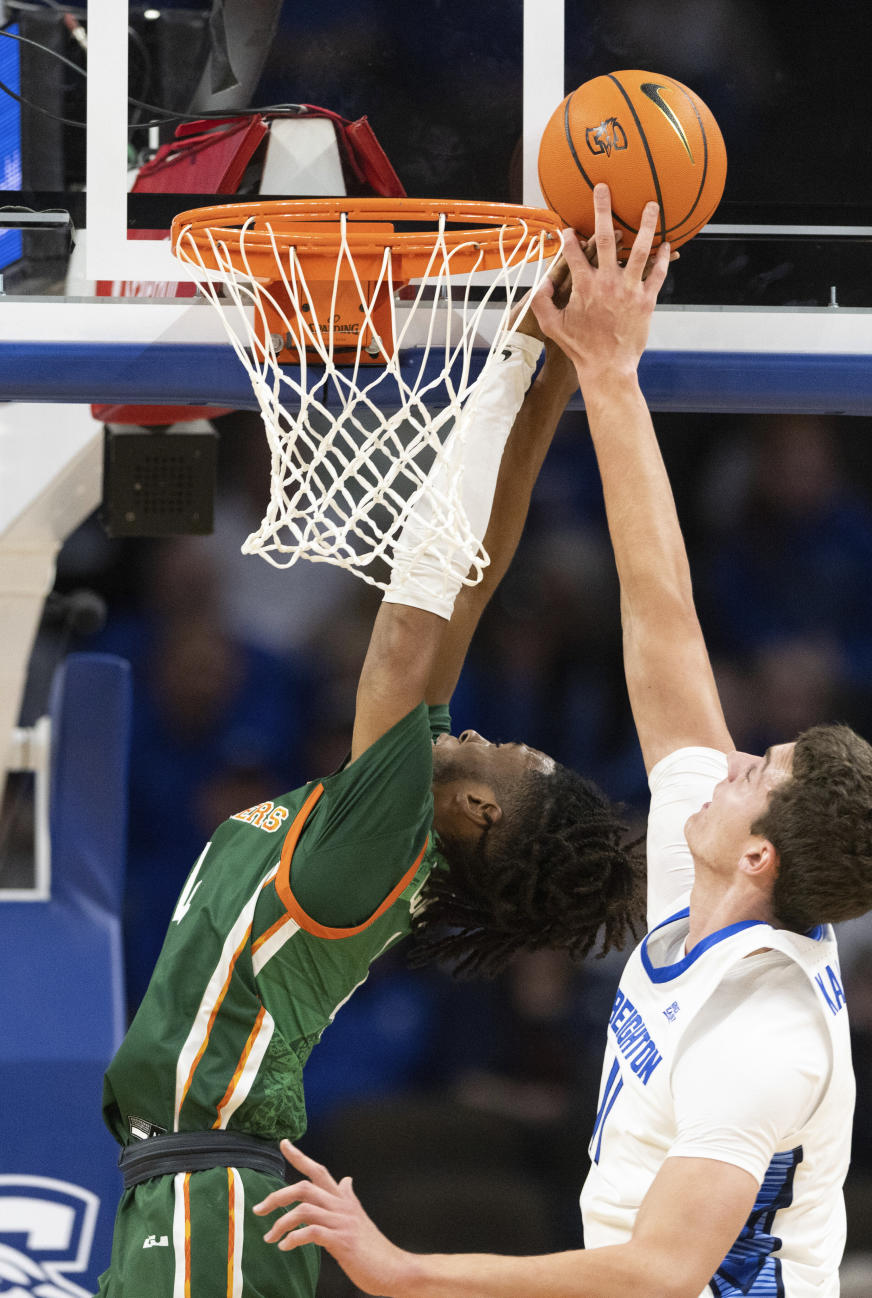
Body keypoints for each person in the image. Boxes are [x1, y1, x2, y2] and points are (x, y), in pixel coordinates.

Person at [253, 187, 872, 1297]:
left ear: (763, 855)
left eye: (762, 772)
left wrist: (404, 1270)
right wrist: (607, 374)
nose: (736, 758)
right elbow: (663, 621)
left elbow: (660, 1269)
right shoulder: (704, 874)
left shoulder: (768, 1031)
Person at [92, 244, 645, 1298]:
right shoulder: (393, 820)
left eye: (514, 756)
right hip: (193, 1191)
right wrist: (555, 373)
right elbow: (476, 576)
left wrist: (507, 360)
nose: (493, 735)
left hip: (212, 1200)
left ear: (481, 807)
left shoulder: (389, 833)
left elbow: (405, 627)